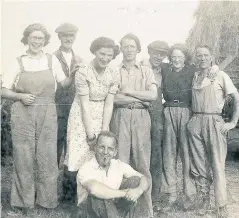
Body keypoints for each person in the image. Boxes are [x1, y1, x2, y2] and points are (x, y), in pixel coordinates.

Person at [1, 23, 77, 214]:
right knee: (23, 156)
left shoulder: (51, 61)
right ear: (26, 39)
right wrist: (19, 96)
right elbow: (3, 90)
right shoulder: (18, 62)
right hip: (23, 111)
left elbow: (65, 84)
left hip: (47, 111)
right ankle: (22, 202)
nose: (37, 42)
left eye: (41, 39)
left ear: (45, 41)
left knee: (48, 156)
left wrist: (74, 73)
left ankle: (47, 201)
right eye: (34, 38)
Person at [65, 37, 120, 203]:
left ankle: (94, 198)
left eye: (109, 55)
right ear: (94, 52)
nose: (105, 58)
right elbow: (84, 104)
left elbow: (109, 103)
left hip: (102, 112)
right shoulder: (83, 71)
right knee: (78, 154)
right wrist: (90, 134)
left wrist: (104, 130)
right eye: (101, 53)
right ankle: (71, 200)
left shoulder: (113, 72)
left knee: (98, 152)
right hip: (81, 115)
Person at [187, 45, 239, 218]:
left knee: (217, 164)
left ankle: (221, 205)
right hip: (196, 121)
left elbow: (236, 97)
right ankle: (203, 200)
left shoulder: (220, 75)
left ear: (211, 57)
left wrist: (232, 122)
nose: (202, 58)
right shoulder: (195, 76)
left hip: (214, 121)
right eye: (199, 55)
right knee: (199, 164)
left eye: (205, 55)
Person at [110, 33, 158, 218]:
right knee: (121, 163)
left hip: (141, 118)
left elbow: (152, 96)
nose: (129, 50)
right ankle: (121, 209)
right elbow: (113, 98)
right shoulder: (114, 70)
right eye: (125, 46)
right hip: (120, 116)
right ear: (120, 48)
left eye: (132, 46)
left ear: (138, 49)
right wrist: (140, 96)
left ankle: (145, 211)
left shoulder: (146, 70)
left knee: (142, 162)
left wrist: (129, 92)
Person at [76, 131, 150, 218]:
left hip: (112, 208)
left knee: (136, 181)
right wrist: (125, 193)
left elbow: (144, 179)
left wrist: (138, 191)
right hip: (90, 213)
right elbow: (94, 189)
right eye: (102, 147)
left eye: (110, 149)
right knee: (99, 198)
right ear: (95, 148)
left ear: (115, 152)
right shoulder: (86, 168)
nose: (105, 152)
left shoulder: (118, 165)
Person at [160, 44, 197, 211]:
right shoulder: (164, 68)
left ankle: (189, 194)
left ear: (185, 58)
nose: (176, 59)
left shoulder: (191, 70)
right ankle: (171, 194)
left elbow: (211, 67)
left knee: (187, 154)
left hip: (186, 111)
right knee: (169, 153)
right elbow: (147, 61)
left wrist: (216, 66)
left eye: (179, 57)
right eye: (173, 56)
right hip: (168, 111)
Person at [54, 23, 83, 203]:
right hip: (56, 110)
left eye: (71, 35)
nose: (68, 39)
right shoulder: (51, 58)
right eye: (65, 35)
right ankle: (50, 193)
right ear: (59, 37)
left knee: (72, 153)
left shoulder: (80, 59)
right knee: (54, 152)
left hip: (74, 112)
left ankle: (68, 195)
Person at [141, 40, 169, 202]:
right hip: (141, 112)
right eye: (155, 52)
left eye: (162, 54)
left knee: (156, 152)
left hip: (157, 114)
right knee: (140, 150)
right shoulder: (140, 66)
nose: (158, 56)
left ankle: (155, 195)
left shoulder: (165, 69)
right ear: (149, 51)